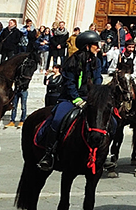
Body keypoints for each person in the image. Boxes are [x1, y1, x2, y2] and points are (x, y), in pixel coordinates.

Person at [37, 30, 102, 170]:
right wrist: (76, 99)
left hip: (89, 98)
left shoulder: (97, 61)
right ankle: (49, 153)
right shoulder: (72, 61)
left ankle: (105, 153)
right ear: (87, 46)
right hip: (70, 98)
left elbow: (98, 80)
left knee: (110, 120)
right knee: (57, 119)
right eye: (95, 44)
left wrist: (96, 96)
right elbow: (69, 83)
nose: (98, 47)